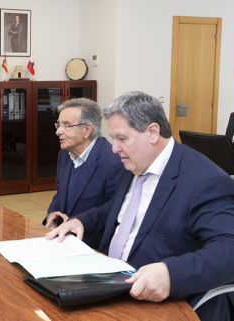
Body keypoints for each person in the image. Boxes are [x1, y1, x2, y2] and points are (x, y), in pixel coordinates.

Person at [46, 91, 234, 320]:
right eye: (113, 138)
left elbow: (228, 248)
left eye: (121, 138)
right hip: (108, 282)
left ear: (153, 132)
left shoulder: (204, 180)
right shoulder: (134, 164)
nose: (114, 148)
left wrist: (170, 274)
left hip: (154, 302)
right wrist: (81, 221)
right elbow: (119, 208)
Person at [43, 98, 122, 250]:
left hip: (92, 245)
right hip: (62, 239)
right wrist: (52, 212)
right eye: (58, 125)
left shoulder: (113, 161)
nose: (58, 131)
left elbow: (114, 210)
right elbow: (60, 192)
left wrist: (78, 222)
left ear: (87, 130)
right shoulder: (64, 153)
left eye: (66, 126)